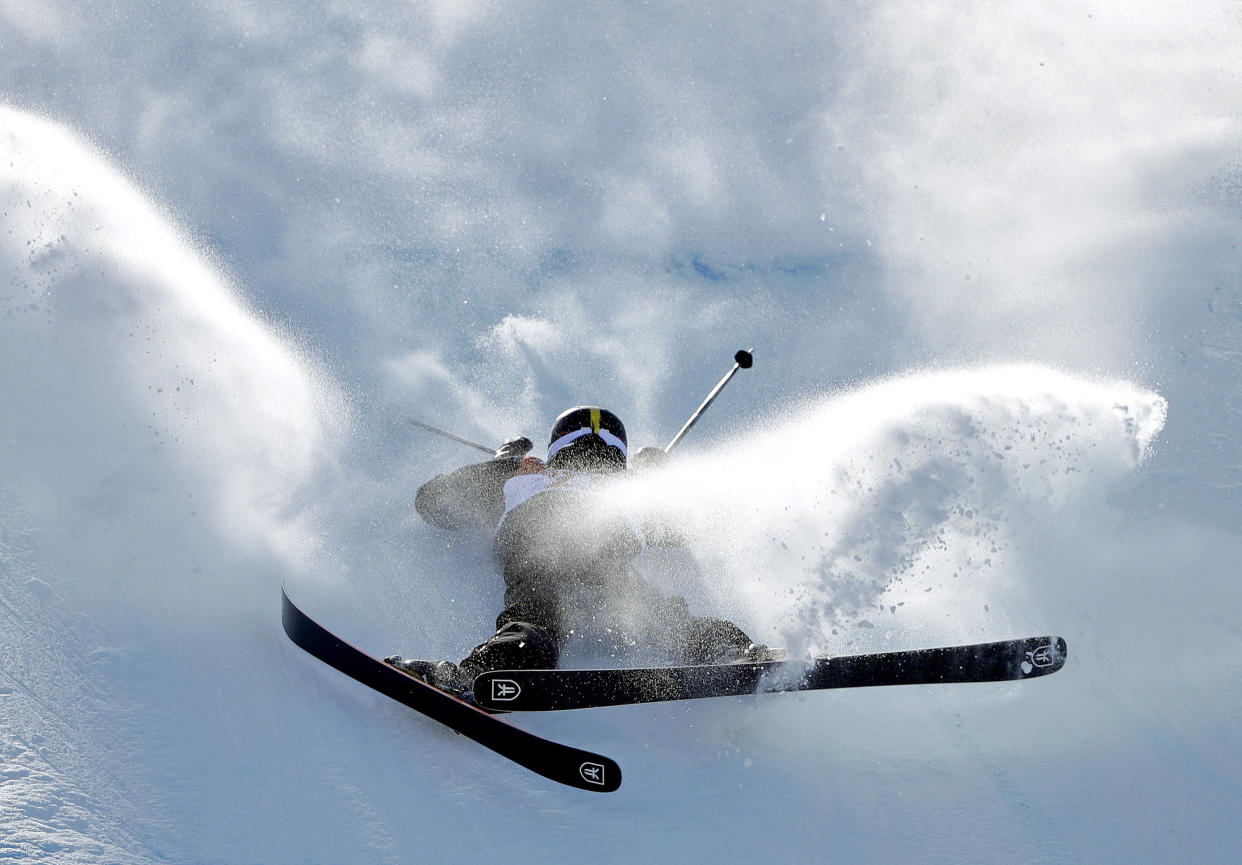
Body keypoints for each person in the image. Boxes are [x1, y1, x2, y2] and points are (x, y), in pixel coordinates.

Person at [386, 405, 778, 696]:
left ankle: (475, 675)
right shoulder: (538, 477)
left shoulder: (588, 483)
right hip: (559, 552)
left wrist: (657, 480)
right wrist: (503, 466)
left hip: (559, 554)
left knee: (537, 621)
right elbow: (435, 503)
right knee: (658, 619)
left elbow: (434, 501)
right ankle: (729, 650)